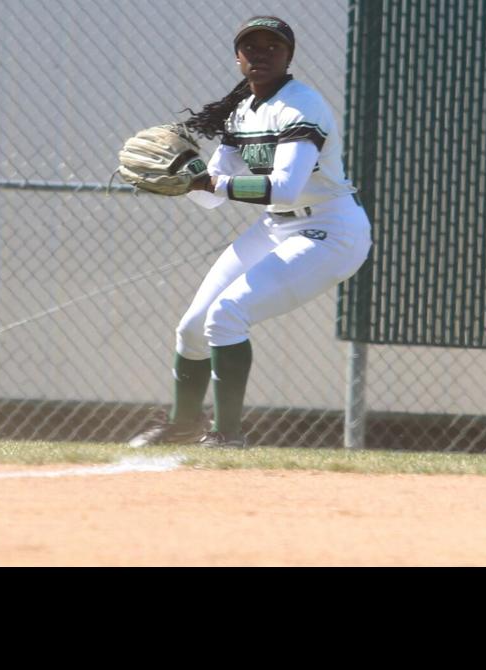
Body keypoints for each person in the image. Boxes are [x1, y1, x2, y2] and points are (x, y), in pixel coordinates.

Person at [129, 15, 371, 449]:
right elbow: (212, 195)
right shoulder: (242, 110)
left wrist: (209, 182)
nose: (261, 54)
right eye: (251, 47)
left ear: (288, 56)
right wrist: (181, 179)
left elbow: (284, 186)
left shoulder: (301, 105)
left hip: (331, 230)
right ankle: (183, 423)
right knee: (193, 327)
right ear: (238, 57)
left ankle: (227, 435)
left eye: (272, 47)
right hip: (278, 224)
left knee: (229, 313)